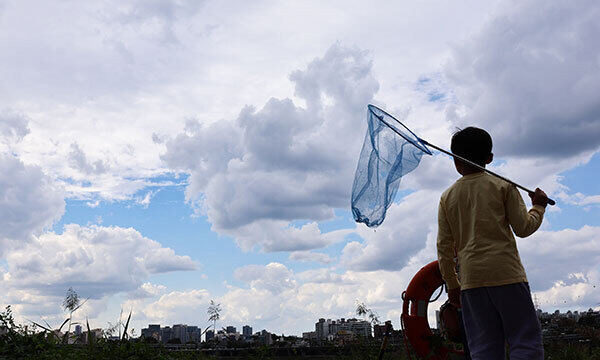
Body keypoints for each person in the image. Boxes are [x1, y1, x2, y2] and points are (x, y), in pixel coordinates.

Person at [436, 127, 548, 360]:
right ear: (490, 158)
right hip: (507, 276)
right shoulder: (503, 186)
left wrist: (452, 283)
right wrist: (538, 206)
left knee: (484, 349)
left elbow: (444, 247)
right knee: (524, 341)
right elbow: (524, 228)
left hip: (471, 282)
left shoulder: (447, 197)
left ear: (455, 161)